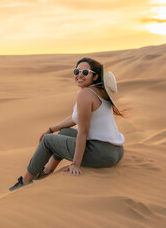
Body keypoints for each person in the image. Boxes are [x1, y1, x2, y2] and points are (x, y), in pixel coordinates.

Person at [9, 57, 126, 191]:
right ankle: (47, 171)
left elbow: (83, 132)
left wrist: (76, 164)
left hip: (101, 154)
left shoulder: (85, 94)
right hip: (116, 151)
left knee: (48, 141)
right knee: (64, 132)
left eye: (85, 72)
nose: (79, 75)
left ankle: (24, 182)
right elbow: (76, 118)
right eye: (77, 71)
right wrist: (52, 128)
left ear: (95, 77)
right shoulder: (99, 92)